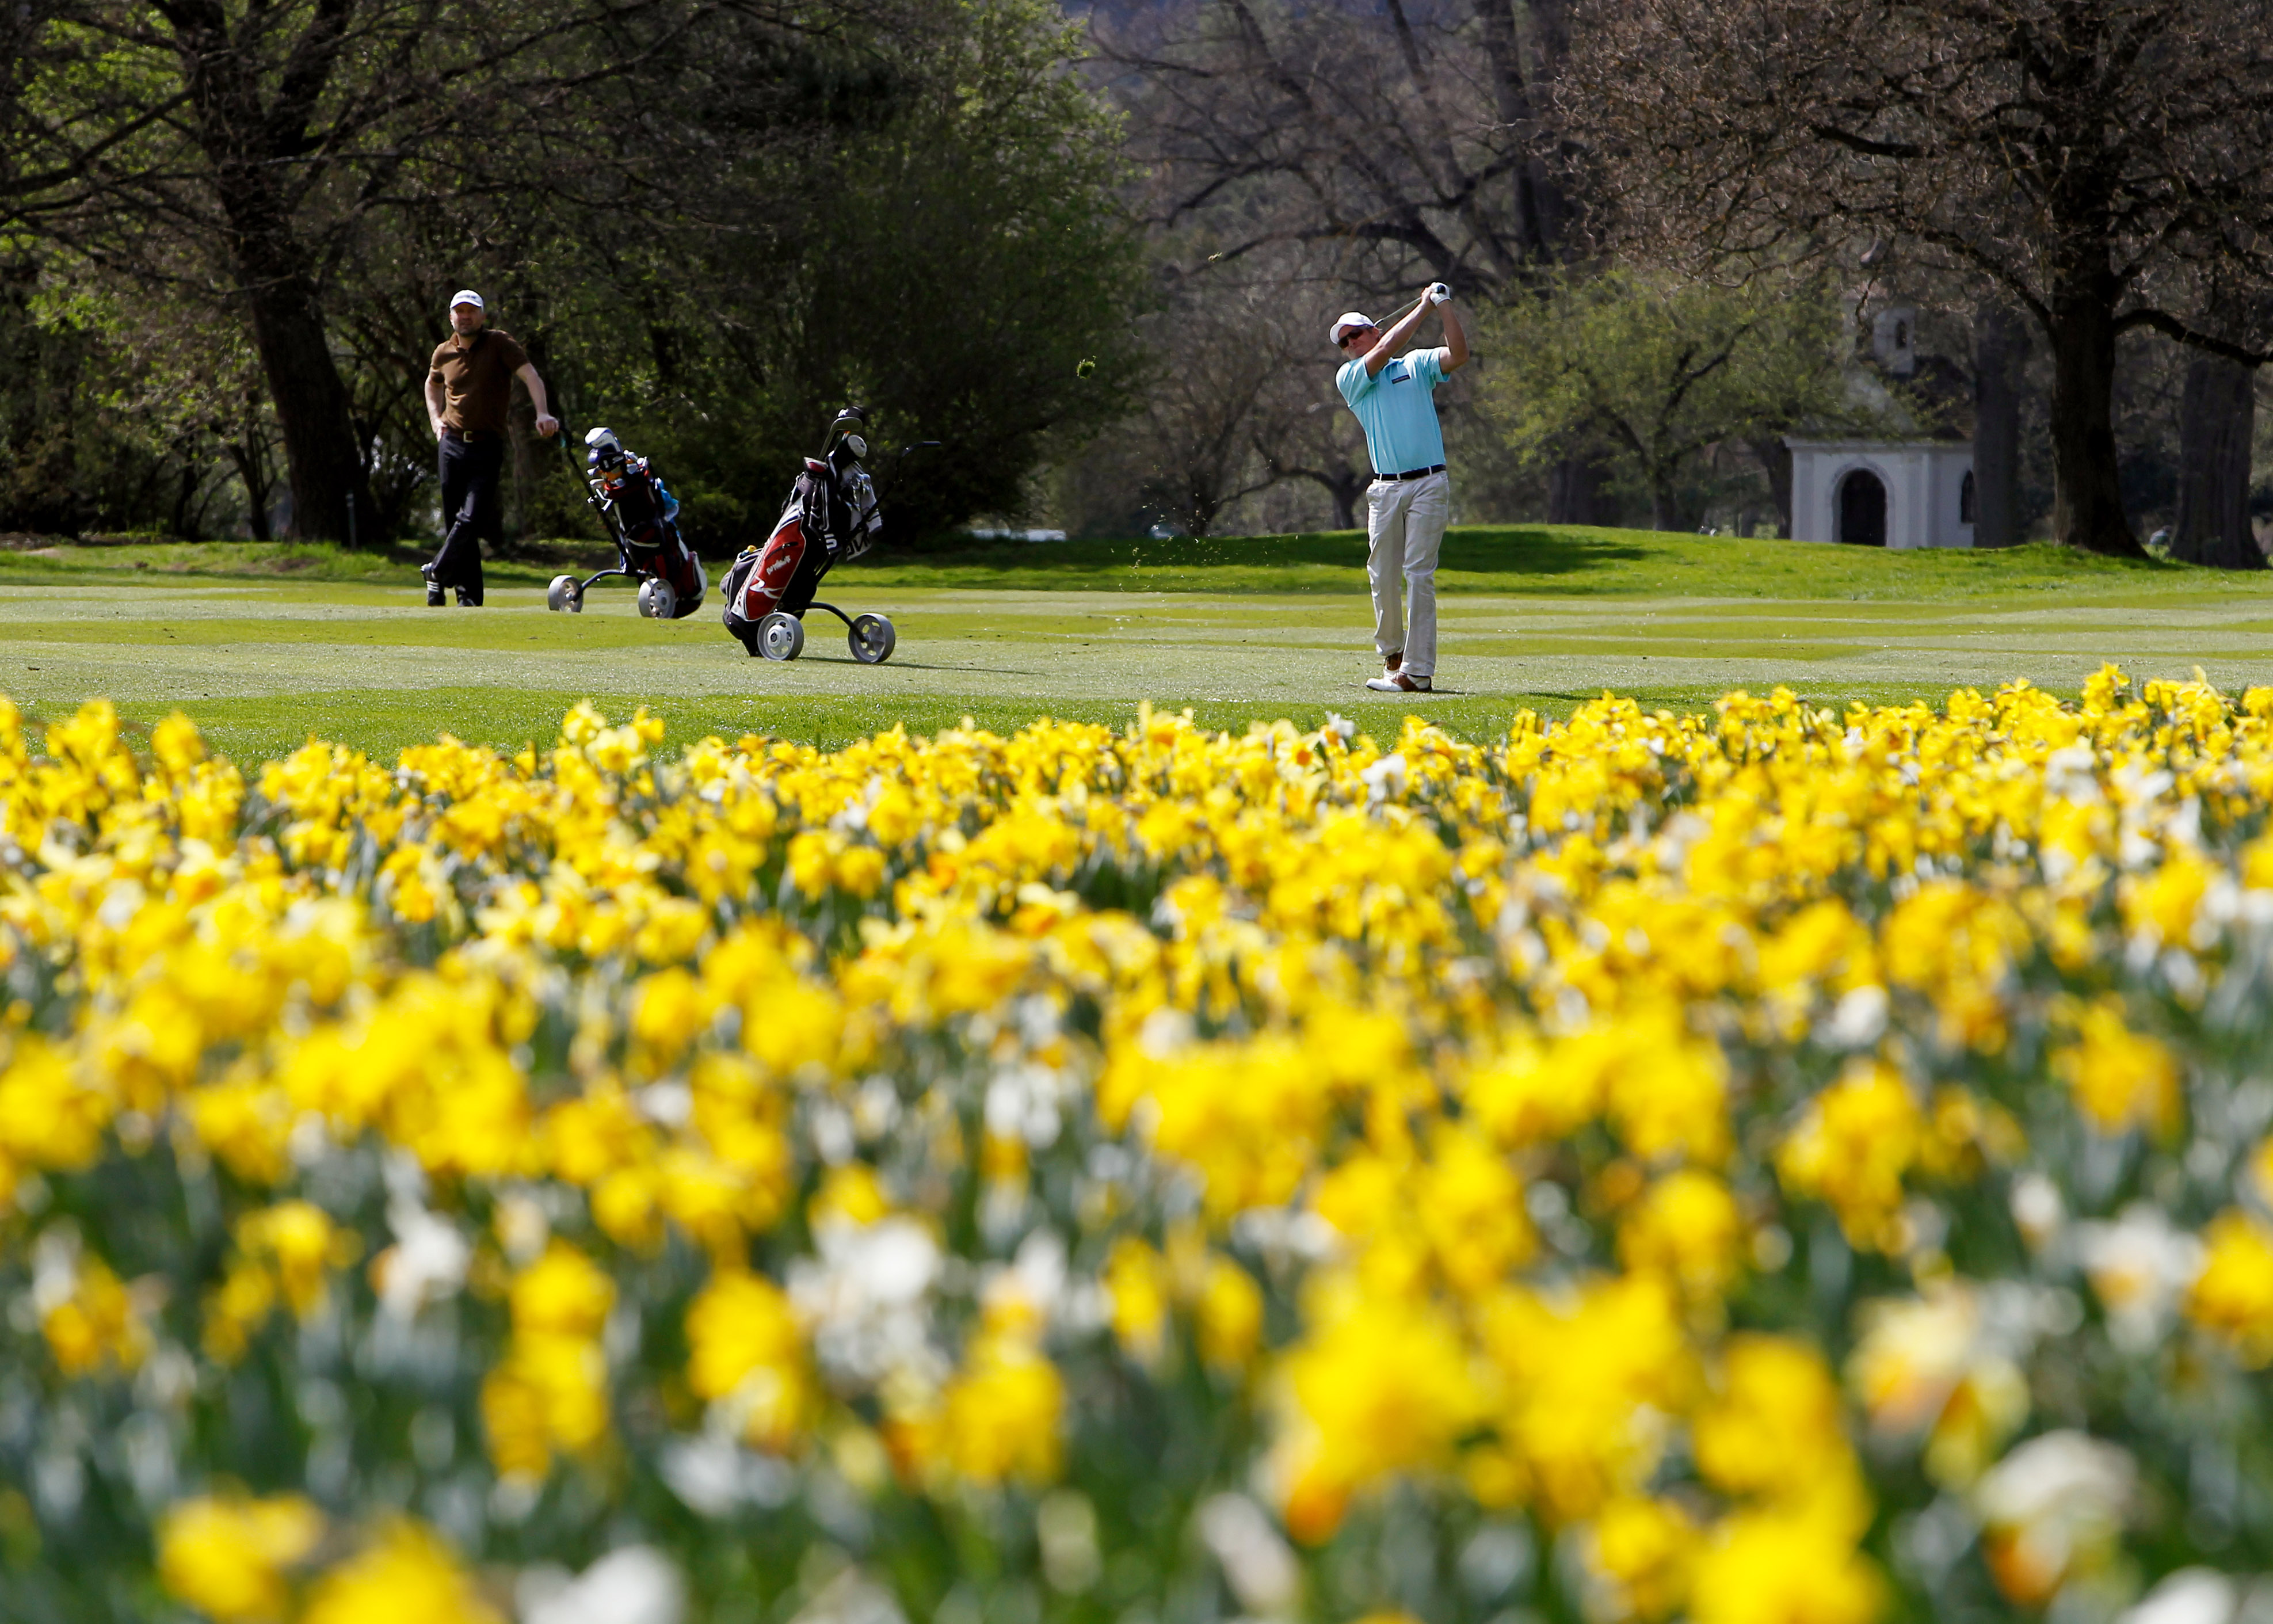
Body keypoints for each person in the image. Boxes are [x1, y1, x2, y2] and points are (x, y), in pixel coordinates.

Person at [1332, 284, 1469, 692]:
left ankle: (1417, 673)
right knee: (1382, 574)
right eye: (1344, 342)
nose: (1350, 344)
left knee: (1419, 574)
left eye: (1355, 334)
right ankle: (1393, 653)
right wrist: (1424, 307)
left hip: (1429, 482)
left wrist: (1443, 305)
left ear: (1373, 330)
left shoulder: (1418, 363)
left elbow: (1459, 355)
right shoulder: (1351, 377)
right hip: (1385, 489)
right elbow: (1388, 346)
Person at [422, 289, 559, 606]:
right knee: (455, 521)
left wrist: (542, 412)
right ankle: (467, 598)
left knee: (471, 518)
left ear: (482, 316)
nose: (465, 317)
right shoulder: (443, 352)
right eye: (460, 312)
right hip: (452, 443)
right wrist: (435, 419)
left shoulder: (499, 343)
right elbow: (432, 383)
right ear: (451, 317)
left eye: (472, 311)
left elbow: (531, 376)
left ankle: (436, 571)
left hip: (487, 445)